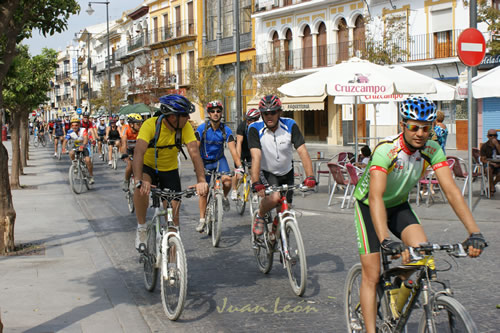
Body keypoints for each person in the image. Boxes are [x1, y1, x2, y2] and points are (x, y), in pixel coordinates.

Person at [352, 96, 486, 333]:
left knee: (422, 252)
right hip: (369, 206)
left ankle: (397, 293)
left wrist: (474, 231)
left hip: (399, 205)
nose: (420, 133)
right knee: (371, 274)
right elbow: (375, 197)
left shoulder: (432, 149)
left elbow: (452, 191)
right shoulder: (386, 150)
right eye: (414, 127)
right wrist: (384, 239)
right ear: (402, 125)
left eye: (427, 128)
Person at [132, 94, 208, 249]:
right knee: (140, 189)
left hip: (170, 170)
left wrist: (201, 180)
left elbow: (194, 152)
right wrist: (138, 179)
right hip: (149, 168)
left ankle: (173, 267)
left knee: (173, 220)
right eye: (185, 115)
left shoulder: (185, 127)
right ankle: (141, 227)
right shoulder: (150, 125)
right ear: (173, 117)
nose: (188, 118)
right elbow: (138, 152)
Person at [248, 95, 316, 237]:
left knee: (285, 211)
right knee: (274, 198)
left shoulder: (290, 125)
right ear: (261, 114)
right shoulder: (254, 128)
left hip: (287, 172)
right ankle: (260, 215)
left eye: (273, 112)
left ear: (279, 112)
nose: (269, 116)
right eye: (265, 113)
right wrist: (255, 182)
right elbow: (256, 156)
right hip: (267, 172)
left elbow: (302, 151)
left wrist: (310, 176)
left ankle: (278, 241)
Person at [195, 101, 241, 232]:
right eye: (213, 111)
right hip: (204, 161)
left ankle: (224, 197)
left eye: (218, 111)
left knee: (227, 182)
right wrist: (197, 167)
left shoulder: (225, 130)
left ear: (221, 113)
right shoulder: (202, 129)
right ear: (209, 114)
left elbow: (233, 151)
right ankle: (202, 220)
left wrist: (239, 167)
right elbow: (195, 149)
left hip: (220, 160)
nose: (216, 113)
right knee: (204, 191)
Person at [230, 108, 261, 200]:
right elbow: (239, 142)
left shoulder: (260, 127)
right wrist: (238, 161)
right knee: (238, 172)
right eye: (248, 120)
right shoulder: (242, 126)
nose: (249, 122)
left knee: (254, 171)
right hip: (243, 150)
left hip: (253, 150)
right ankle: (234, 190)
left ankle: (254, 191)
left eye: (252, 120)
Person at [63, 117, 94, 184]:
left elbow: (86, 139)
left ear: (79, 125)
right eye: (73, 125)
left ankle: (91, 176)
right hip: (76, 147)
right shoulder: (70, 131)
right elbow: (65, 141)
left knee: (88, 160)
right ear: (71, 126)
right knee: (71, 152)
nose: (74, 127)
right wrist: (63, 149)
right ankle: (75, 165)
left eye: (76, 125)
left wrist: (83, 145)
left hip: (84, 146)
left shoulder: (83, 130)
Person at [120, 113, 143, 191]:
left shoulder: (141, 130)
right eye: (138, 124)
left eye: (141, 123)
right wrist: (124, 154)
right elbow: (123, 143)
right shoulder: (126, 128)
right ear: (131, 124)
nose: (140, 125)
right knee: (130, 164)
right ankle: (126, 181)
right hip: (128, 149)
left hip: (137, 149)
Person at [480, 129, 500, 195]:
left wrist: (497, 145)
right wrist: (492, 163)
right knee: (488, 169)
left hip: (499, 164)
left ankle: (492, 185)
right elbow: (483, 159)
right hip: (489, 164)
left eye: (495, 135)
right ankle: (492, 187)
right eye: (491, 135)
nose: (493, 137)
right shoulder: (484, 146)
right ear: (488, 136)